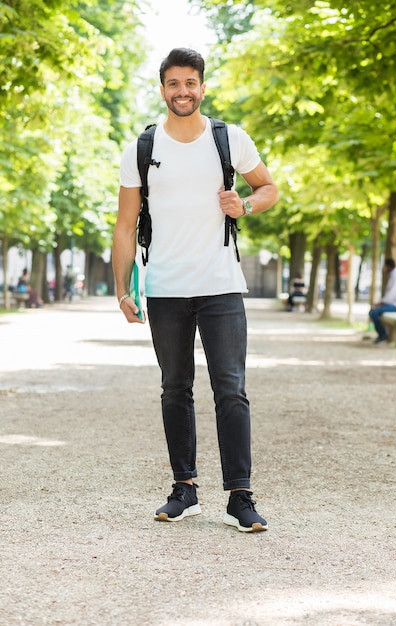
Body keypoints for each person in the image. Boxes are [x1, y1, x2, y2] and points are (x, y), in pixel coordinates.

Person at [112, 48, 278, 532]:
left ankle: (240, 497)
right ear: (162, 89)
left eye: (190, 83)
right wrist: (123, 289)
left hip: (221, 285)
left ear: (203, 87)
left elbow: (268, 188)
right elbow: (125, 226)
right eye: (173, 84)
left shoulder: (229, 139)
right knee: (174, 389)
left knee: (231, 391)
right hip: (165, 287)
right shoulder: (142, 149)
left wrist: (243, 206)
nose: (182, 91)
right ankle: (184, 488)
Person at [369, 257, 396, 344]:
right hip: (393, 304)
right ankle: (383, 334)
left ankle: (383, 335)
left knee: (374, 313)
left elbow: (392, 294)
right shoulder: (394, 275)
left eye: (385, 266)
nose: (384, 268)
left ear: (389, 266)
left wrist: (380, 303)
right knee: (373, 311)